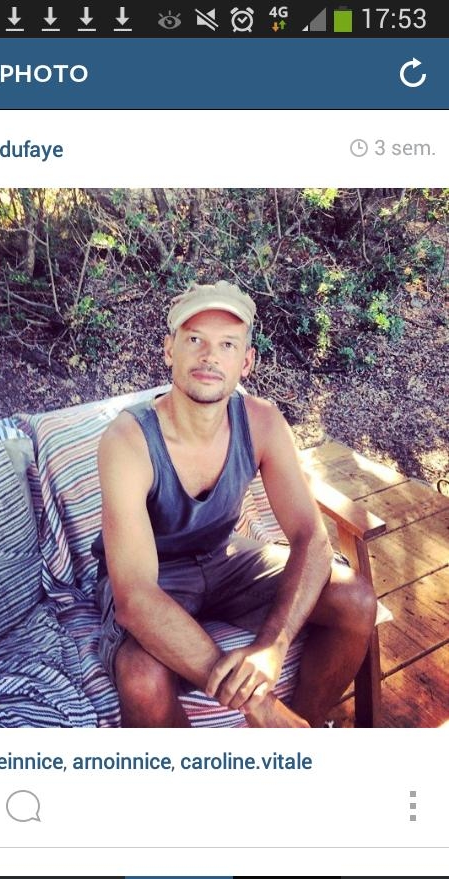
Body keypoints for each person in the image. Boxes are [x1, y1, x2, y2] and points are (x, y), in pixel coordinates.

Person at [92, 280, 377, 728]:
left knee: (355, 598)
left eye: (227, 344)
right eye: (194, 340)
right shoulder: (129, 440)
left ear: (246, 361)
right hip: (154, 575)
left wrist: (272, 647)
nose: (210, 356)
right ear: (169, 350)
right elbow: (135, 597)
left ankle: (298, 739)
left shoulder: (262, 422)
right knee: (141, 675)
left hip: (223, 557)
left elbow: (311, 536)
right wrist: (258, 702)